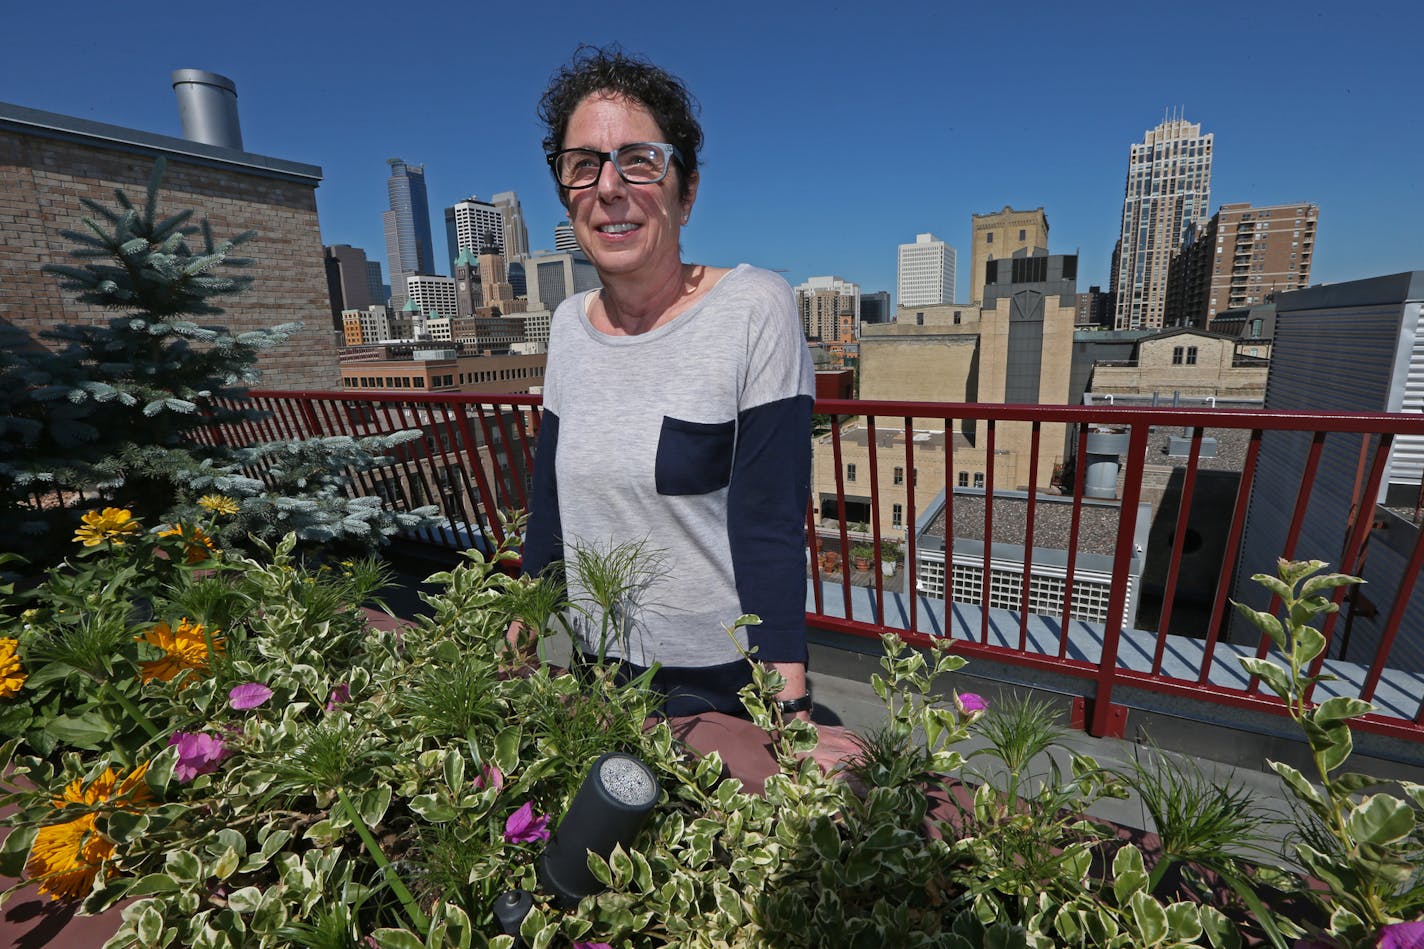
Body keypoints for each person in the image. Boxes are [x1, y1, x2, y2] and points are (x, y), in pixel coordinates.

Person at [515, 47, 816, 723]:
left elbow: (769, 521)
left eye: (640, 160)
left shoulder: (753, 308)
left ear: (688, 189)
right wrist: (521, 642)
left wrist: (790, 705)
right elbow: (551, 511)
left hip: (721, 680)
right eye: (583, 165)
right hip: (598, 667)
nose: (609, 187)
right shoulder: (567, 326)